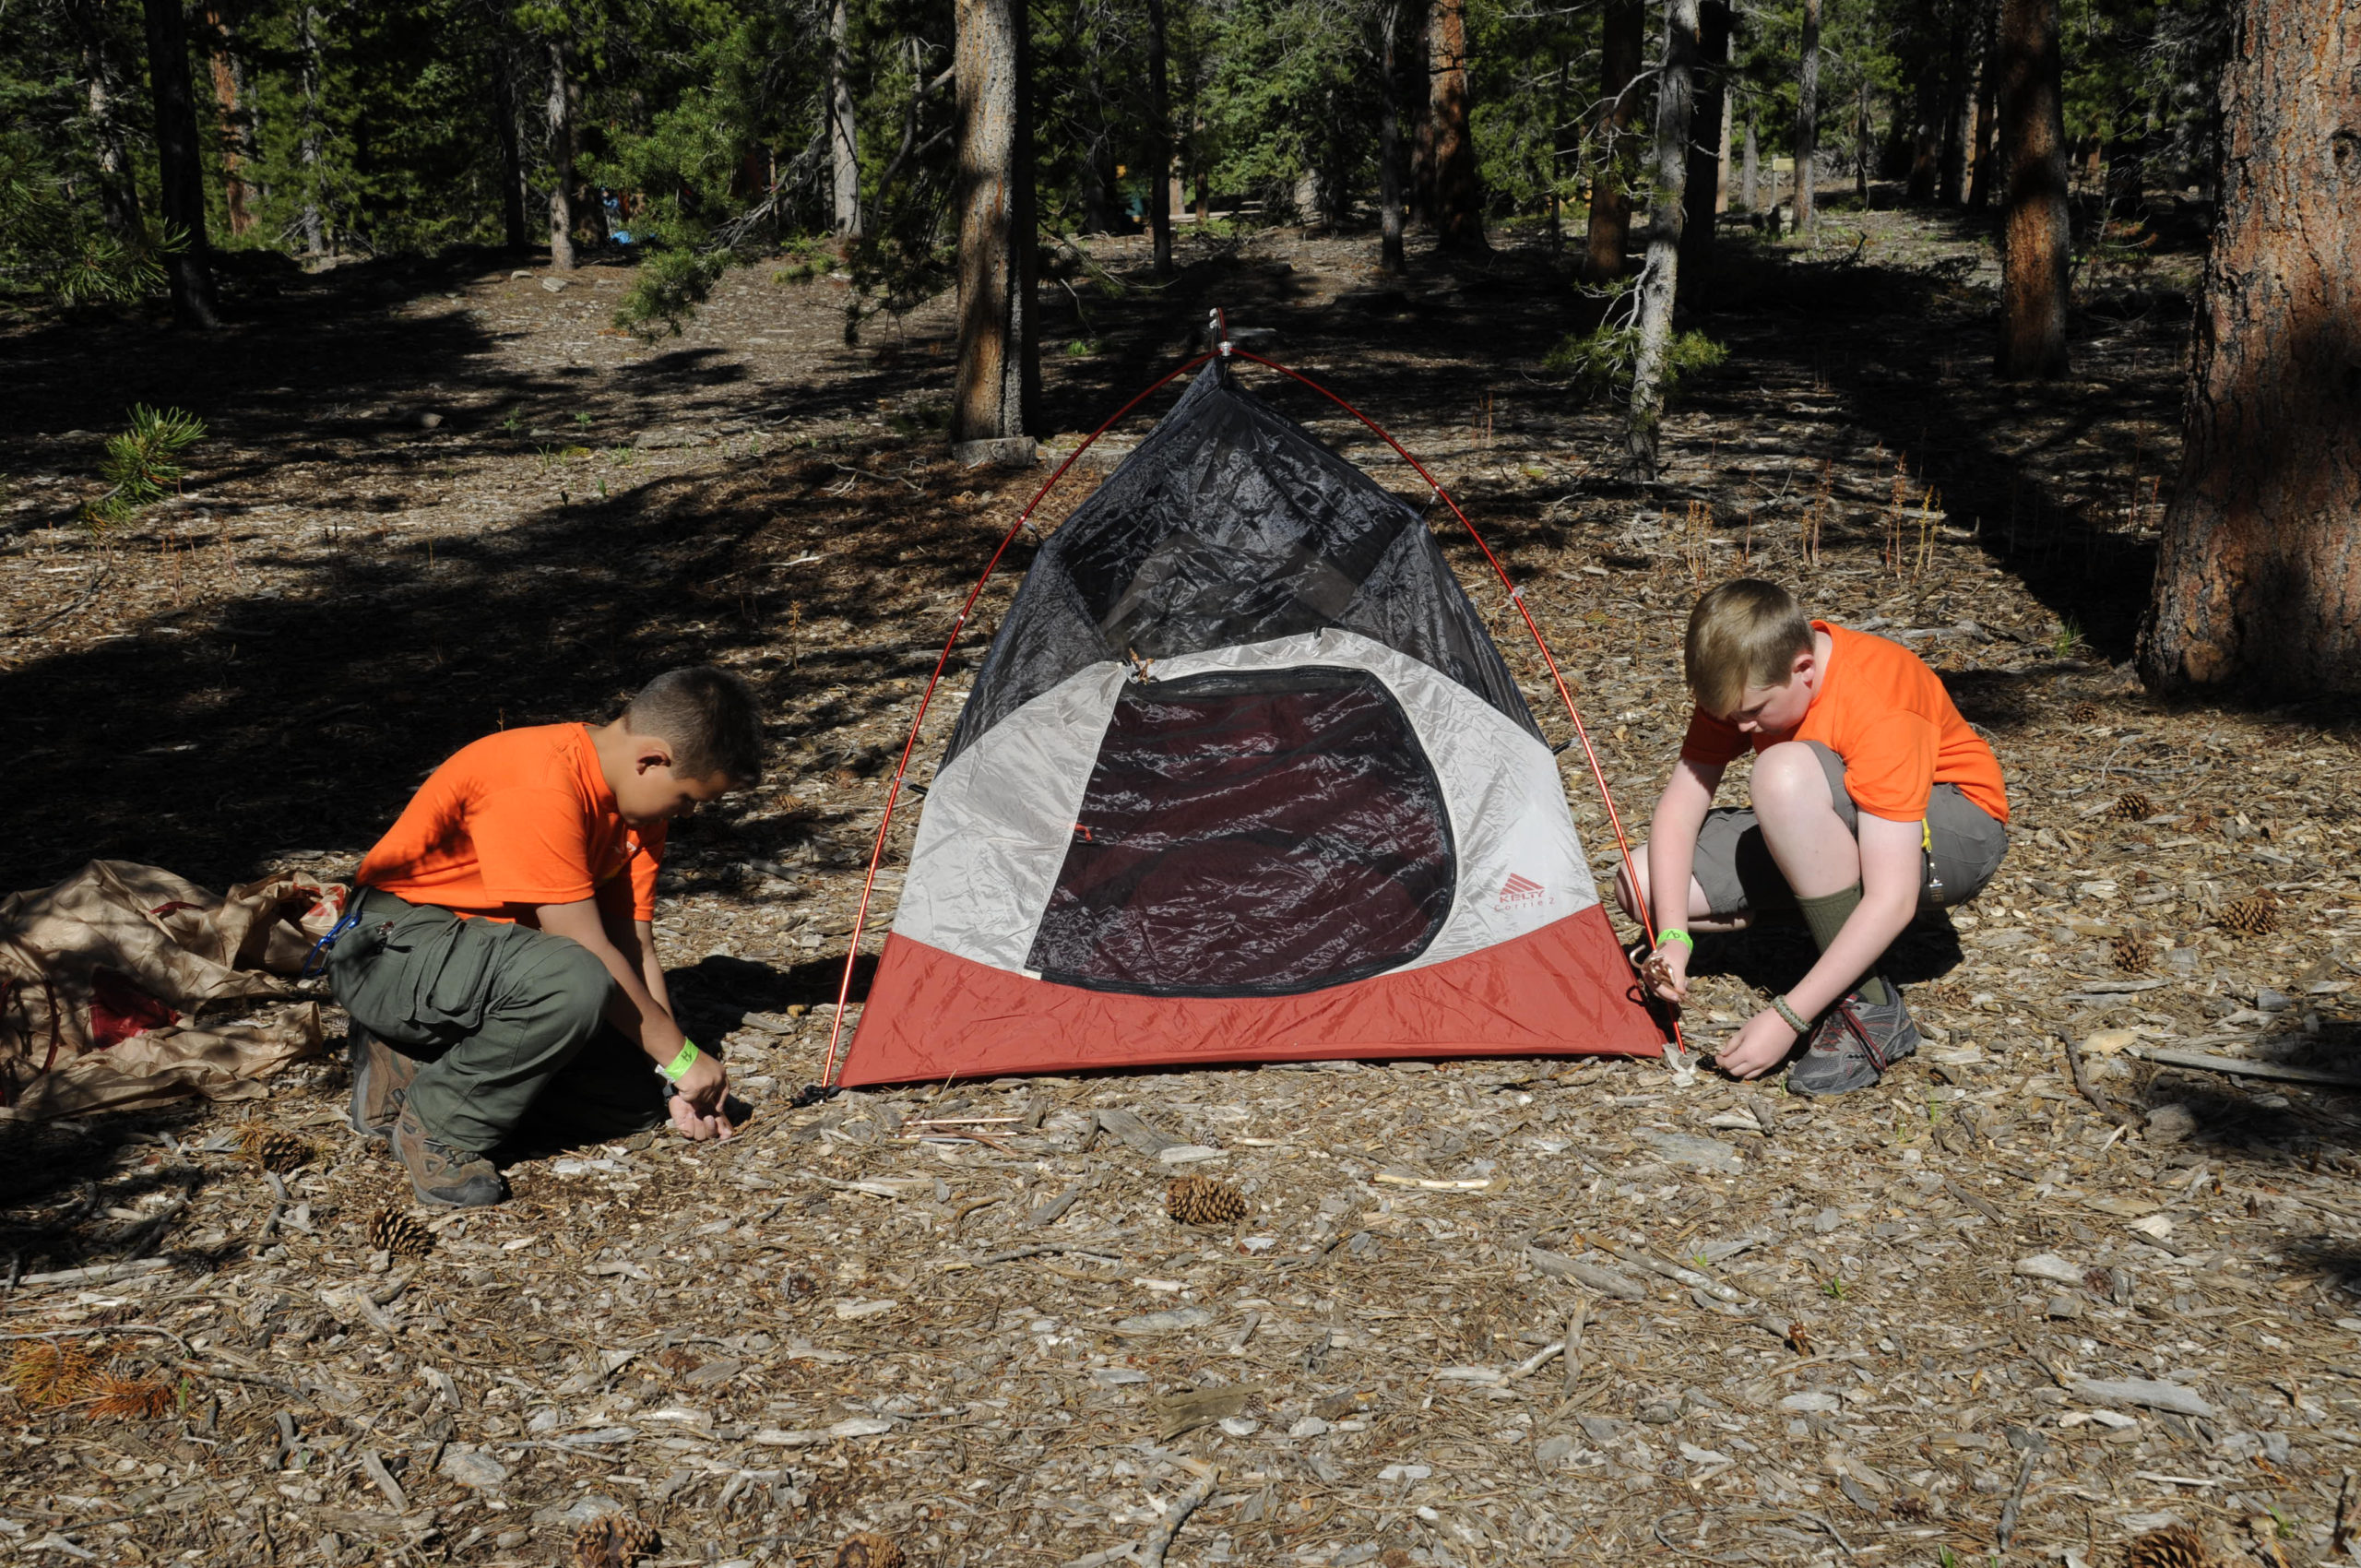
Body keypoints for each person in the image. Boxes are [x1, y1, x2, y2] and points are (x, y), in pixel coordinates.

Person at [323, 668, 763, 1206]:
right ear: (652, 759)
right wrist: (682, 1059)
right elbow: (584, 949)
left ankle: (425, 1061)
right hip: (390, 949)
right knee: (572, 978)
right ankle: (438, 1127)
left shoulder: (637, 810)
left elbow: (632, 945)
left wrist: (673, 1071)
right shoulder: (538, 778)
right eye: (689, 799)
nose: (689, 814)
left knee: (631, 1105)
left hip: (491, 963)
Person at [1616, 579, 2008, 1096]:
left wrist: (1788, 1017)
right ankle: (1831, 928)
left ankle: (1869, 1008)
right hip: (1835, 817)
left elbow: (1893, 898)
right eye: (1730, 716)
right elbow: (1679, 811)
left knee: (1781, 773)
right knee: (1639, 886)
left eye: (1754, 713)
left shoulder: (1877, 698)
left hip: (1954, 836)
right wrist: (1673, 937)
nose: (1744, 727)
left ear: (1803, 668)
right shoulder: (1747, 678)